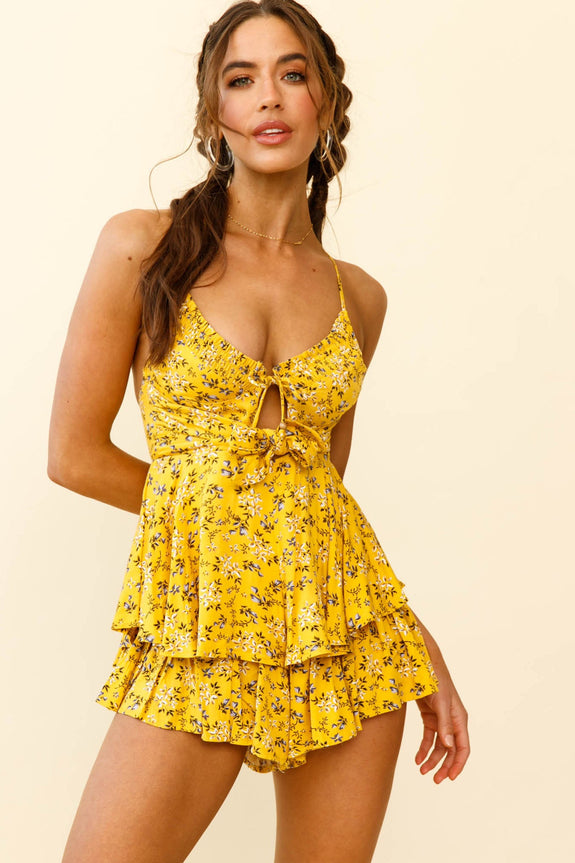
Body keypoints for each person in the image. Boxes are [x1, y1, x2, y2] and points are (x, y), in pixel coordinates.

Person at [48, 1, 470, 861]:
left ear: (326, 103)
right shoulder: (143, 246)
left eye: (292, 73)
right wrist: (229, 526)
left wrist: (413, 635)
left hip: (346, 635)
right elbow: (74, 456)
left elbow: (322, 495)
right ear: (214, 114)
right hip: (202, 624)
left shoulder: (360, 297)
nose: (268, 96)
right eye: (241, 79)